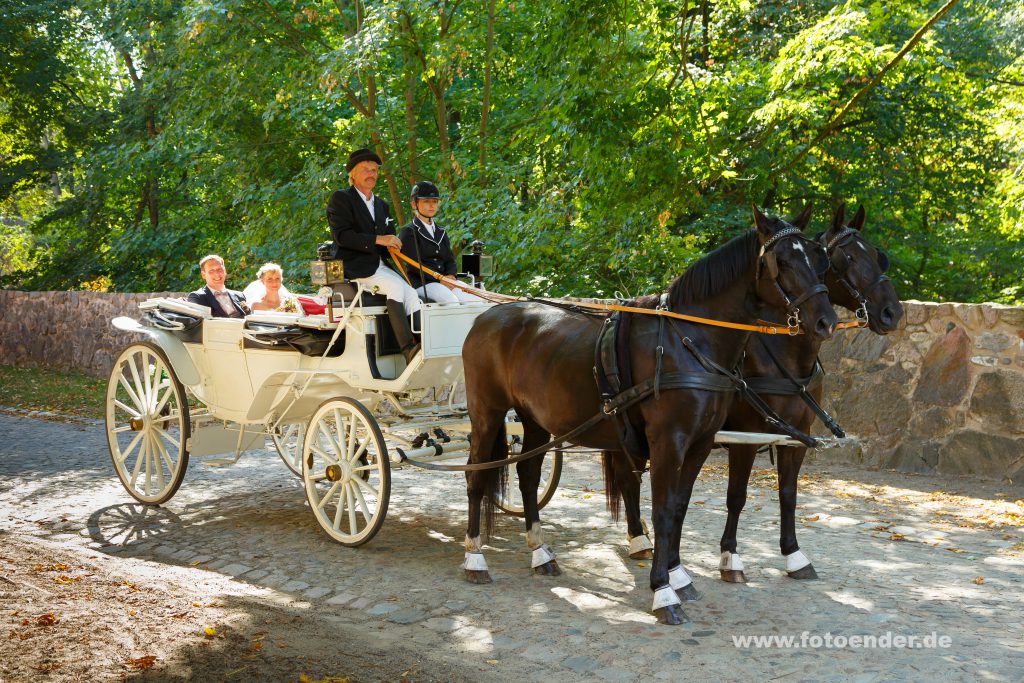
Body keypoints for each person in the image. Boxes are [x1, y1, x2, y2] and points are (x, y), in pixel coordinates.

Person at [326, 148, 421, 362]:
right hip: (355, 266)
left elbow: (388, 235)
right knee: (395, 287)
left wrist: (393, 243)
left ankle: (423, 344)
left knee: (412, 293)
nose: (371, 174)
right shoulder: (341, 198)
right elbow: (342, 236)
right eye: (365, 170)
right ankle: (407, 349)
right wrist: (380, 240)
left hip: (380, 265)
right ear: (353, 175)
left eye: (375, 170)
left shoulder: (381, 204)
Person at [398, 181, 480, 304]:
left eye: (434, 202)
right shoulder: (408, 231)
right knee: (451, 301)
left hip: (445, 281)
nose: (431, 206)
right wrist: (440, 279)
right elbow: (415, 265)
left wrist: (451, 276)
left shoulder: (441, 231)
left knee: (476, 299)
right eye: (426, 201)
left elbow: (449, 260)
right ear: (414, 204)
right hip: (423, 283)